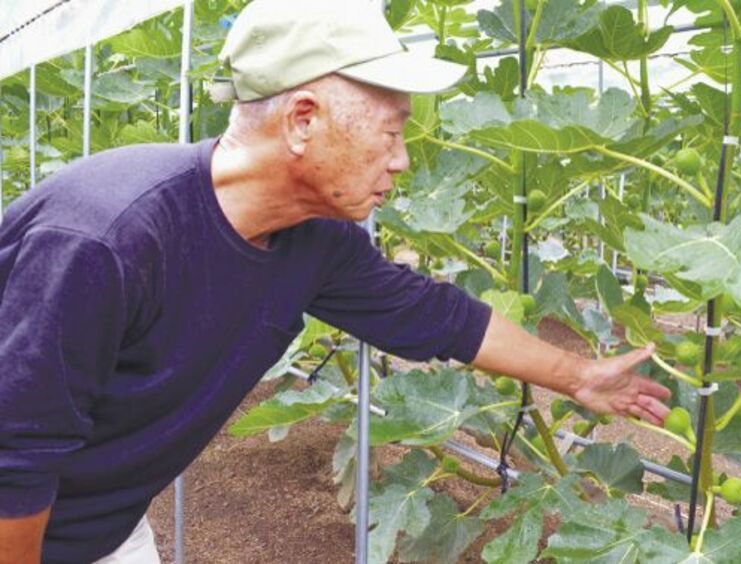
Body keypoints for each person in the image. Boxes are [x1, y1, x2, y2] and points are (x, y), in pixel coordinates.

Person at [0, 0, 672, 562]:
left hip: (102, 532)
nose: (401, 160)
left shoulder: (313, 242)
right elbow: (15, 461)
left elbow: (437, 316)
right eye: (391, 132)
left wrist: (579, 377)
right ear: (303, 120)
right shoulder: (105, 235)